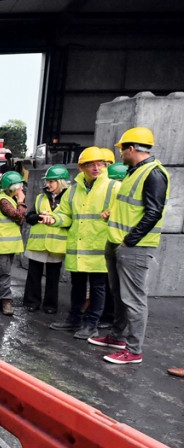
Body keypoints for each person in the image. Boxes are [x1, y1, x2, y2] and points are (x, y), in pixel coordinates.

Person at [87, 127, 170, 365]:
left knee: (134, 299)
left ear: (131, 149)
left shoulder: (154, 174)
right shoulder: (135, 172)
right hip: (118, 242)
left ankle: (133, 350)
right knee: (120, 295)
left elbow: (154, 212)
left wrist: (129, 240)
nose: (120, 154)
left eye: (122, 149)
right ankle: (117, 337)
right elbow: (133, 207)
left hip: (133, 247)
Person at [40, 146, 116, 340]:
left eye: (100, 164)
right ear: (82, 167)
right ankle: (74, 319)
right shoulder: (73, 190)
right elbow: (66, 215)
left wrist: (112, 214)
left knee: (98, 287)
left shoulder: (113, 187)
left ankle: (92, 324)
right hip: (77, 247)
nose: (96, 168)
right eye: (91, 165)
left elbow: (123, 212)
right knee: (78, 285)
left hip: (99, 246)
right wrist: (53, 219)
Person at [23, 165, 70, 313]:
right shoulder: (40, 197)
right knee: (33, 276)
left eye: (52, 181)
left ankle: (50, 306)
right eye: (47, 181)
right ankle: (32, 302)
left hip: (56, 246)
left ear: (61, 182)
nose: (48, 184)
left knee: (53, 278)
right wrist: (39, 217)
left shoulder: (69, 198)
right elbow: (29, 217)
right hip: (37, 244)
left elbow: (71, 219)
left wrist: (54, 219)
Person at [0, 171, 27, 316]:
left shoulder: (7, 199)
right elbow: (18, 216)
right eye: (20, 186)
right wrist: (21, 201)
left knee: (0, 272)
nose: (21, 189)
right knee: (4, 274)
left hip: (5, 245)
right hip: (1, 245)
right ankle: (6, 302)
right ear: (12, 187)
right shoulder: (4, 200)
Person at [96, 162, 128, 328]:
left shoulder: (127, 198)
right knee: (111, 285)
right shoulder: (114, 196)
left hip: (126, 245)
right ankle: (110, 317)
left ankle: (114, 320)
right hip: (111, 242)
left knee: (122, 289)